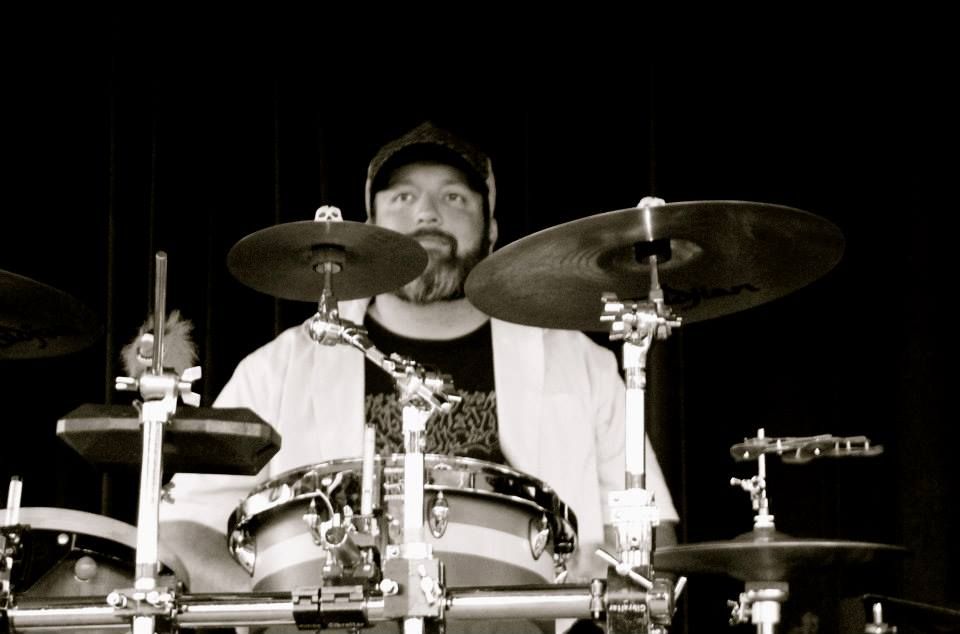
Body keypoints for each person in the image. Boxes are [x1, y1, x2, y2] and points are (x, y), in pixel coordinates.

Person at [160, 122, 678, 632]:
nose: (427, 214)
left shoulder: (578, 362)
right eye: (403, 198)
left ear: (492, 228)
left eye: (454, 197)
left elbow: (653, 538)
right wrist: (280, 611)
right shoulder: (280, 367)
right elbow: (183, 527)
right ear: (369, 226)